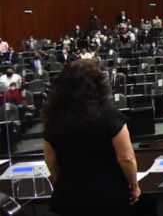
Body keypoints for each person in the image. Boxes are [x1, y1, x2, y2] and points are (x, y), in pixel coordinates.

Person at [42, 59, 140, 215]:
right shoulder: (110, 115)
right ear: (99, 84)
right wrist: (134, 187)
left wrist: (64, 183)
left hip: (69, 197)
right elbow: (126, 157)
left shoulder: (54, 117)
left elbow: (50, 159)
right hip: (107, 196)